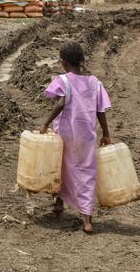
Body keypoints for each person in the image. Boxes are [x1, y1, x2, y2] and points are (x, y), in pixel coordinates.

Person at [40, 41, 112, 234]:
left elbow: (61, 103)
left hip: (65, 134)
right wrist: (106, 133)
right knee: (86, 173)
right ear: (82, 61)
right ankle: (87, 219)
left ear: (63, 63)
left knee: (60, 167)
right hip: (86, 136)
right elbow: (100, 110)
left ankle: (58, 202)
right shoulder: (95, 83)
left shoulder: (62, 80)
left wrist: (46, 123)